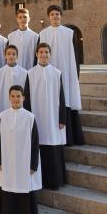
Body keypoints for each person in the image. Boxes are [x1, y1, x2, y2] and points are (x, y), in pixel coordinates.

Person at [0, 85, 41, 214]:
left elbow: (35, 143)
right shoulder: (2, 116)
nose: (16, 99)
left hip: (24, 164)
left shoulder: (30, 117)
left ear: (24, 98)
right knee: (9, 193)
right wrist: (0, 161)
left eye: (18, 96)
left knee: (24, 195)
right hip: (7, 163)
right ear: (9, 98)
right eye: (13, 96)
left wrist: (33, 165)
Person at [39, 5, 84, 145]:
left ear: (61, 16)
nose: (55, 16)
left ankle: (70, 138)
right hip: (49, 73)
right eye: (52, 14)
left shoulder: (69, 33)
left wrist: (75, 73)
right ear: (49, 17)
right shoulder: (43, 34)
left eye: (57, 14)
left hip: (67, 72)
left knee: (67, 99)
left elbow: (75, 56)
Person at [25, 42, 67, 189]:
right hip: (36, 116)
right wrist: (28, 118)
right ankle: (41, 181)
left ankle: (55, 181)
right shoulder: (29, 73)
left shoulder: (57, 73)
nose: (44, 55)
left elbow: (61, 98)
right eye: (41, 52)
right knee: (39, 146)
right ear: (36, 54)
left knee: (53, 147)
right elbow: (27, 98)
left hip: (53, 117)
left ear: (50, 54)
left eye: (46, 52)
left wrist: (62, 118)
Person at [0, 45, 28, 114]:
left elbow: (26, 92)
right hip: (3, 105)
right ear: (5, 56)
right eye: (8, 54)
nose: (11, 56)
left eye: (13, 54)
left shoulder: (24, 73)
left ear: (17, 56)